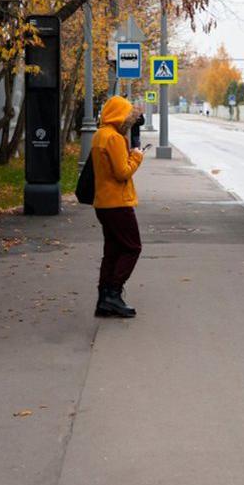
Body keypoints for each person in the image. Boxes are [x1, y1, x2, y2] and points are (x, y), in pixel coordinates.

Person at [91, 96, 145, 319]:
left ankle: (104, 300)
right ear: (117, 114)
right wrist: (137, 157)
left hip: (104, 202)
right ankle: (113, 293)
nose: (128, 121)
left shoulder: (99, 135)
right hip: (118, 203)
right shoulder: (113, 138)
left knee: (112, 251)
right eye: (126, 116)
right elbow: (122, 172)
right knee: (133, 247)